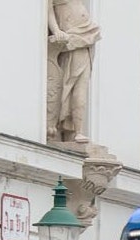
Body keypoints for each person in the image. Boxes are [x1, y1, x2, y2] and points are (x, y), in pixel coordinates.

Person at [47, 0, 100, 145]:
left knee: (82, 83)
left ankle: (78, 130)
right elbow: (48, 8)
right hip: (70, 35)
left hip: (86, 33)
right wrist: (56, 30)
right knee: (72, 83)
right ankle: (71, 129)